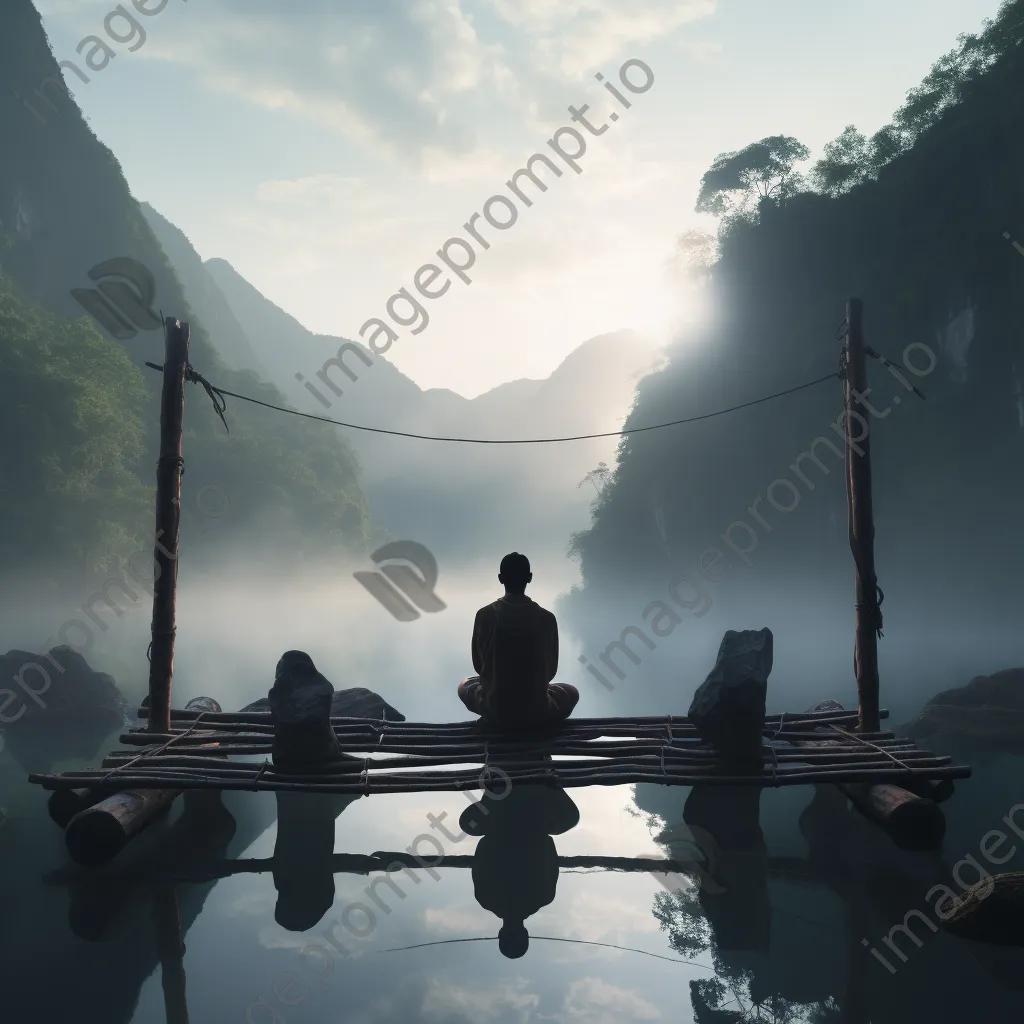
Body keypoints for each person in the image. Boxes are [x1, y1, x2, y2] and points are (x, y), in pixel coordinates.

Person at [457, 552, 579, 730]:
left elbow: (479, 667)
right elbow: (551, 671)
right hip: (537, 711)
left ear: (501, 579)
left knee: (465, 684)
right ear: (529, 578)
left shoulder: (484, 615)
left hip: (497, 710)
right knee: (571, 691)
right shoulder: (547, 618)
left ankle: (493, 717)